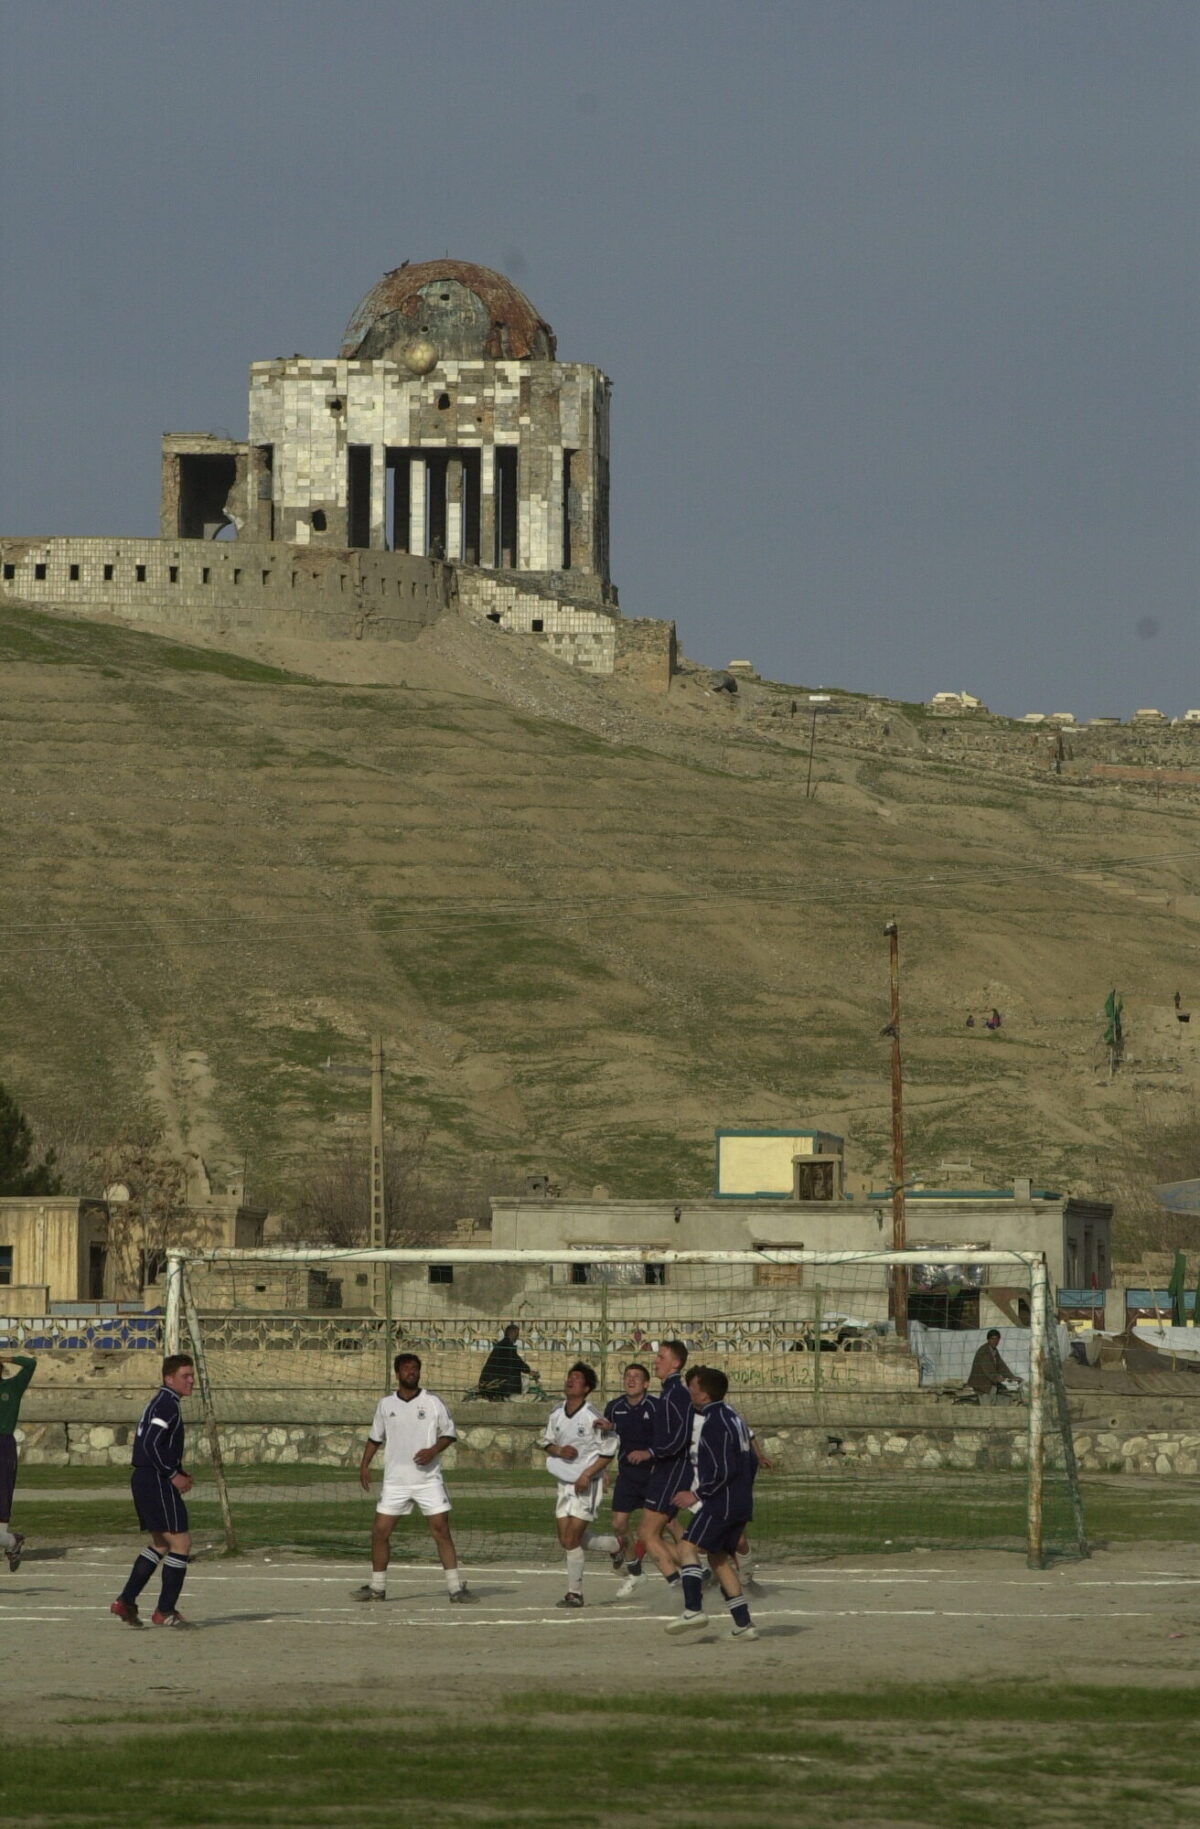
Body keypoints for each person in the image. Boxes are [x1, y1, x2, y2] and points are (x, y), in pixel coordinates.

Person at [355, 1352, 471, 1603]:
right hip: (396, 1481)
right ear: (397, 1373)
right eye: (407, 1368)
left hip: (427, 1480)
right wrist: (364, 1465)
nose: (412, 1372)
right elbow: (376, 1438)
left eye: (415, 1368)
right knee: (379, 1532)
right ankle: (377, 1588)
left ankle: (455, 1589)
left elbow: (449, 1434)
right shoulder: (386, 1405)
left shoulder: (432, 1402)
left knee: (441, 1530)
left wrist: (433, 1450)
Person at [665, 1366, 758, 1641]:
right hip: (739, 1500)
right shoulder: (734, 1417)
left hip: (721, 1502)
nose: (689, 1390)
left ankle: (693, 1609)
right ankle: (744, 1625)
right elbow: (750, 1461)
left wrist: (697, 1494)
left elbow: (723, 1468)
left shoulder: (714, 1422)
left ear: (704, 1394)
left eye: (692, 1386)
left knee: (686, 1546)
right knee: (718, 1558)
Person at [110, 1353, 197, 1628]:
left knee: (161, 1543)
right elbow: (150, 1443)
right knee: (181, 1543)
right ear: (168, 1378)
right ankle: (165, 1611)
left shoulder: (164, 1402)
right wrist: (172, 1474)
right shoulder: (166, 1405)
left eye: (192, 1375)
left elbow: (156, 1444)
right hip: (155, 1479)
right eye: (185, 1375)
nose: (191, 1380)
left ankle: (126, 1601)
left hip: (147, 1478)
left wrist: (178, 1470)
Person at [541, 1362, 619, 1608]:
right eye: (569, 1376)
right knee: (566, 1539)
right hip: (564, 1484)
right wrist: (559, 1450)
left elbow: (608, 1452)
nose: (570, 1380)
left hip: (587, 1483)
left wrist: (588, 1474)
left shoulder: (593, 1417)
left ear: (586, 1388)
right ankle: (616, 1545)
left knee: (572, 1538)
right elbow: (546, 1443)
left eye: (576, 1378)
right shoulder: (556, 1413)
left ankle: (575, 1593)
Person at [624, 1339, 692, 1603]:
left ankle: (685, 1581)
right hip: (666, 1469)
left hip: (672, 1470)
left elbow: (680, 1437)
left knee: (647, 1533)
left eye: (661, 1357)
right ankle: (694, 1574)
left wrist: (651, 1453)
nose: (656, 1361)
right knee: (653, 1531)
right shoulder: (668, 1391)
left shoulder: (677, 1394)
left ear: (675, 1363)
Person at [598, 1362, 657, 1598]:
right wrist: (603, 1470)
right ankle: (635, 1573)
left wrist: (650, 1454)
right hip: (627, 1475)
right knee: (619, 1524)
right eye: (627, 1376)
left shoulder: (656, 1407)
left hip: (654, 1475)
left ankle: (691, 1569)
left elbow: (665, 1440)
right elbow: (605, 1442)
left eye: (636, 1377)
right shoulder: (614, 1407)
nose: (631, 1380)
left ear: (646, 1383)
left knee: (666, 1526)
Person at [0, 1350, 36, 1571]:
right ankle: (10, 1541)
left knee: (3, 1493)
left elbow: (30, 1364)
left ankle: (8, 1542)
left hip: (3, 1444)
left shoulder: (11, 1387)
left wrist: (6, 1357)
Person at [477, 1324, 533, 1401]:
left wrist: (527, 1369)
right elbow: (516, 1362)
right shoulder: (506, 1346)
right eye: (517, 1334)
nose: (518, 1336)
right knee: (516, 1374)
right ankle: (507, 1395)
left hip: (487, 1382)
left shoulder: (502, 1344)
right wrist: (529, 1370)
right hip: (492, 1384)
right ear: (512, 1333)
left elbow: (516, 1361)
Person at [967, 1329, 1020, 1405]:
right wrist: (998, 1378)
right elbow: (987, 1369)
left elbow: (1001, 1366)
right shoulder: (984, 1351)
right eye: (992, 1339)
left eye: (997, 1339)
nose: (995, 1341)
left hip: (989, 1382)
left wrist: (1012, 1377)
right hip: (982, 1383)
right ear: (988, 1339)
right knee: (988, 1407)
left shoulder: (994, 1350)